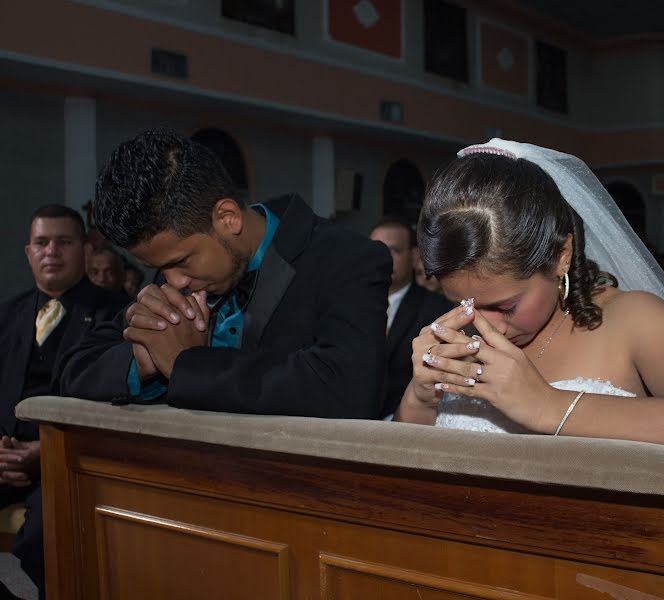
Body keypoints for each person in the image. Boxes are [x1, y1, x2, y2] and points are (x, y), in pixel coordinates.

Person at [395, 139, 664, 471]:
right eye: (463, 303)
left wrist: (550, 406)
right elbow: (408, 468)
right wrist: (421, 399)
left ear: (561, 256)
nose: (487, 326)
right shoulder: (456, 333)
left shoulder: (633, 319)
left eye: (506, 306)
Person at [58, 128, 391, 418]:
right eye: (158, 269)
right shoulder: (179, 275)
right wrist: (144, 362)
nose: (172, 281)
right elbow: (75, 365)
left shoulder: (346, 258)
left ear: (227, 217)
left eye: (180, 261)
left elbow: (349, 389)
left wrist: (186, 365)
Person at [0, 205, 128, 598]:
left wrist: (45, 449)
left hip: (72, 458)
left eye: (64, 242)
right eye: (41, 242)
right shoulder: (9, 315)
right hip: (6, 456)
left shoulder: (116, 312)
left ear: (86, 250)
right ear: (28, 252)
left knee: (44, 537)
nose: (51, 251)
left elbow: (117, 402)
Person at [369, 217, 453, 417]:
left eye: (393, 250)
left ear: (414, 256)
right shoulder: (348, 304)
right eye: (374, 250)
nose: (382, 258)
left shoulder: (437, 309)